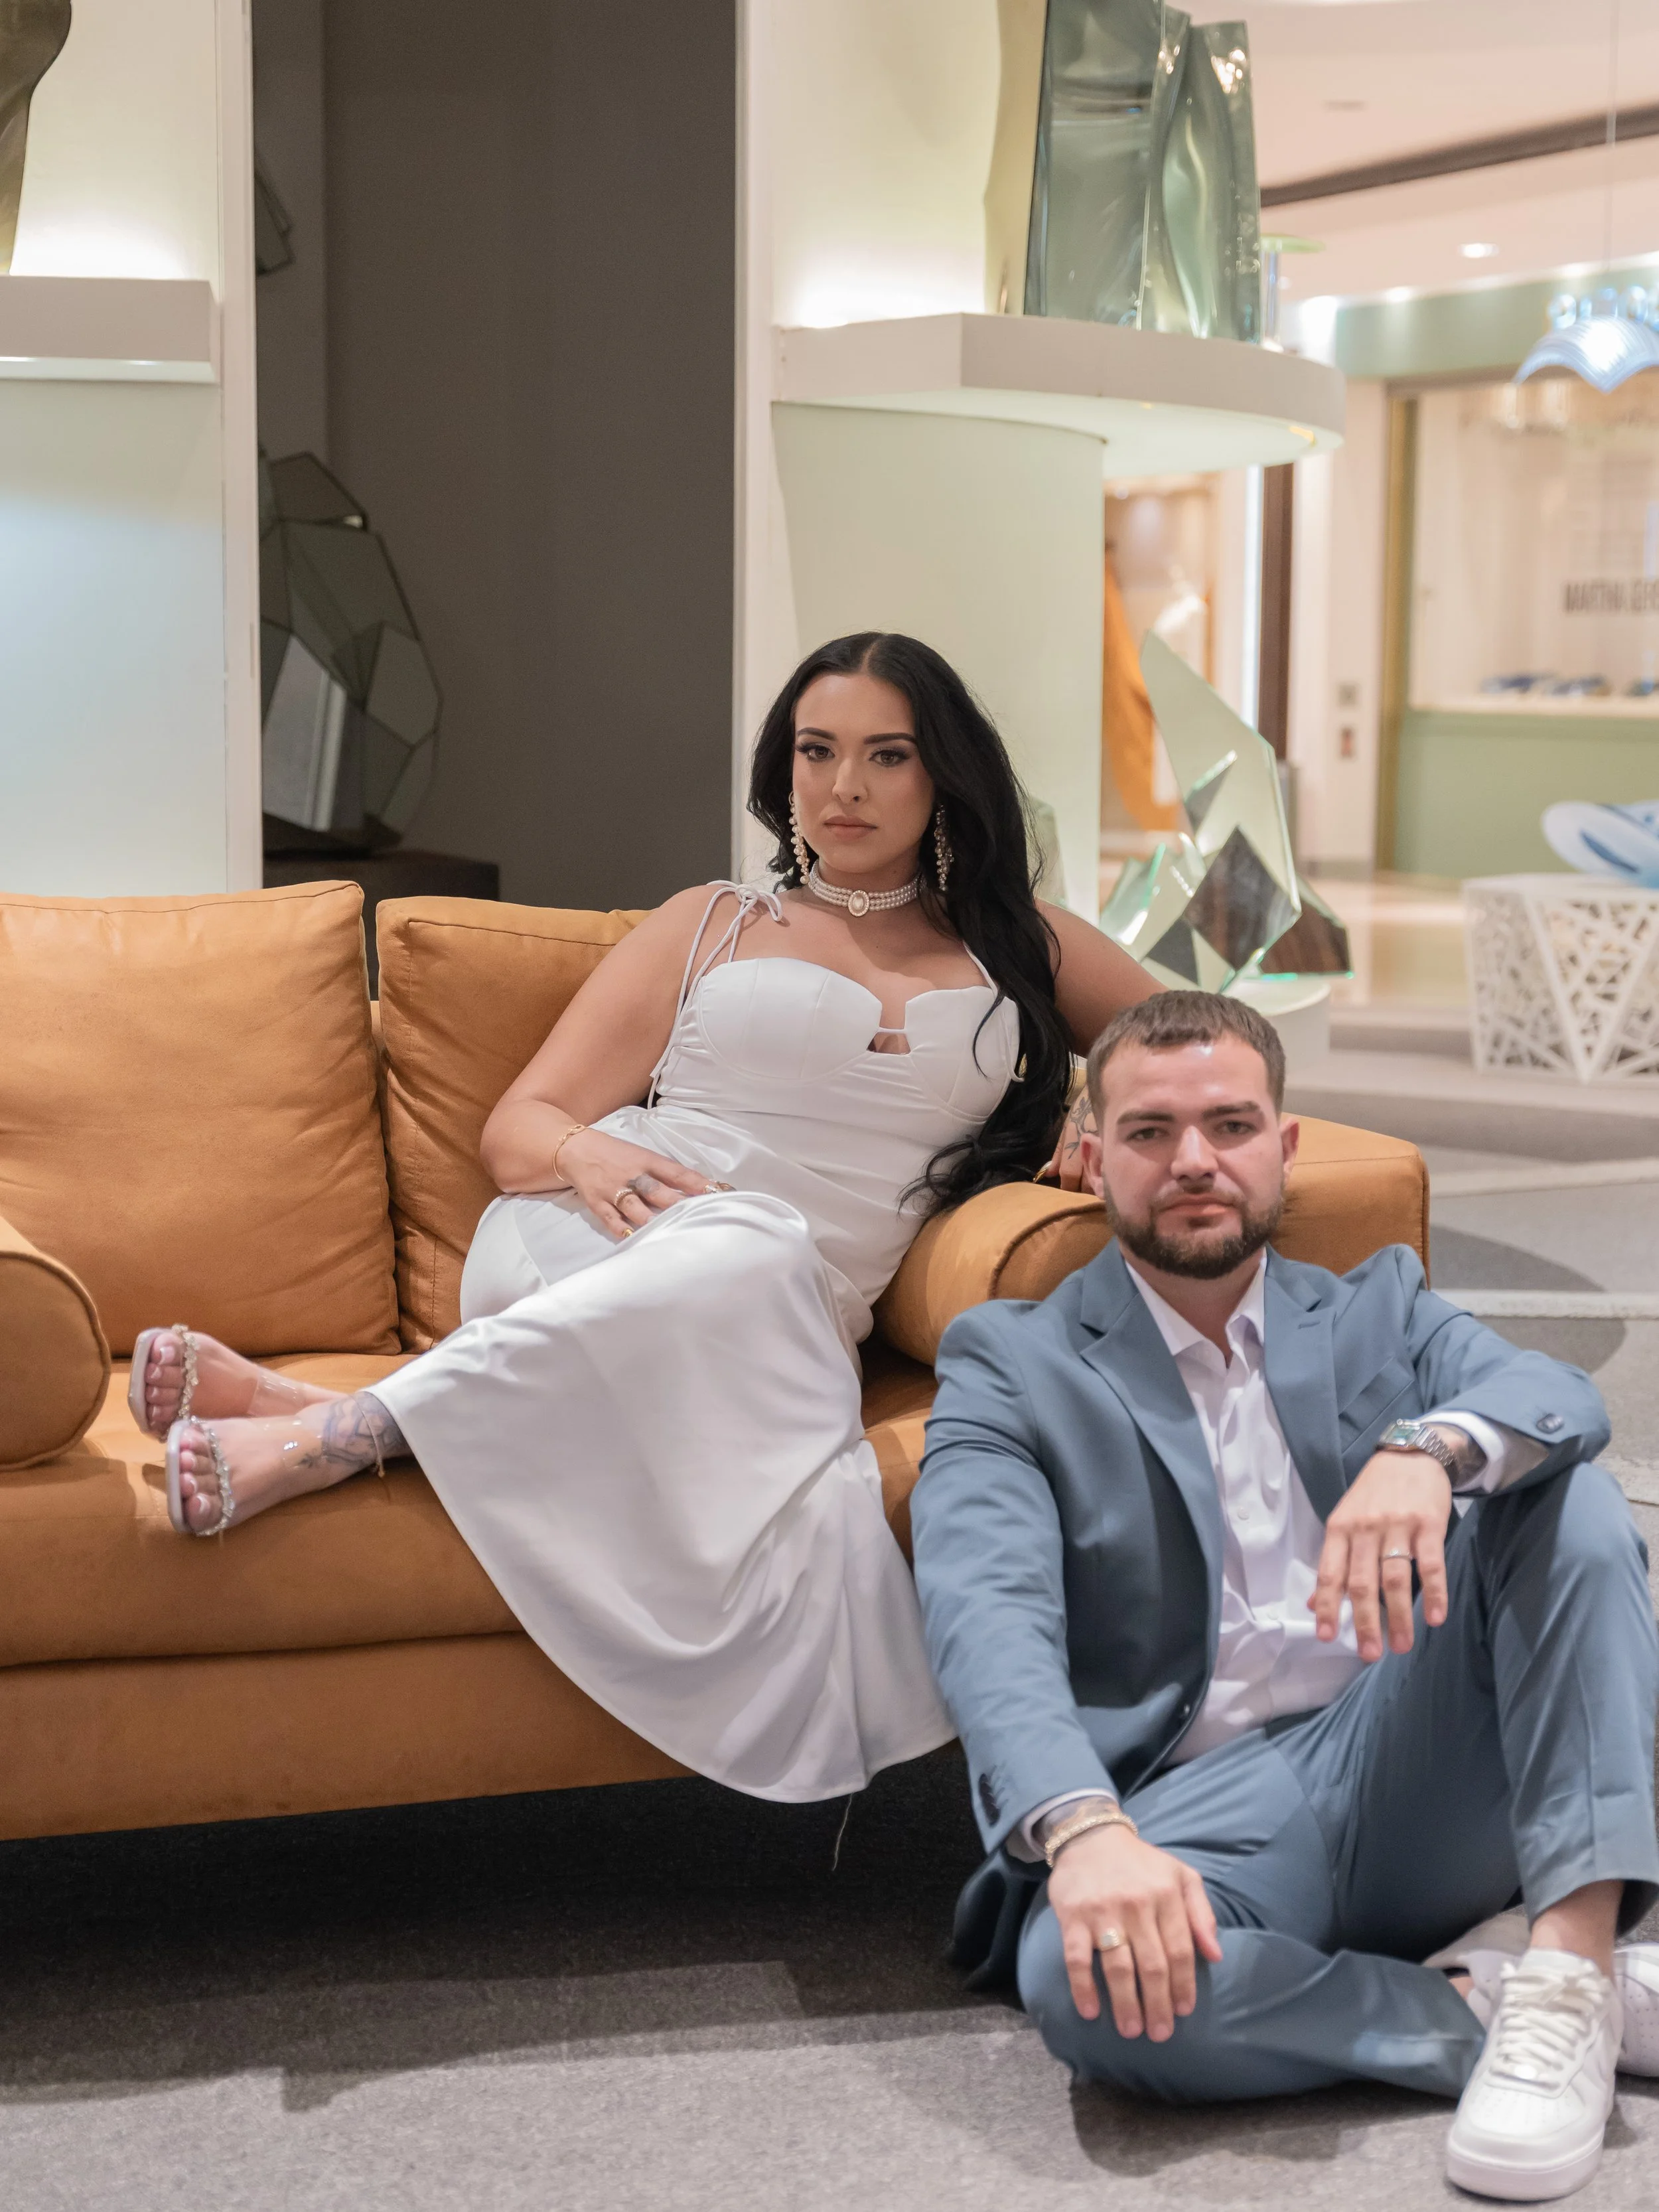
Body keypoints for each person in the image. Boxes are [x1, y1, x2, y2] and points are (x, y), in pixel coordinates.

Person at [129, 631, 1157, 1805]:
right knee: (752, 1235)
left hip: (777, 1317)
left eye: (887, 755)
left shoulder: (1020, 942)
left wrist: (1105, 1105)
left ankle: (312, 1407)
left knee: (764, 1247)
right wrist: (586, 1149)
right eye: (816, 751)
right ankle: (337, 1438)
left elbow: (1199, 1044)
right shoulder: (710, 921)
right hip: (593, 1240)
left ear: (944, 775)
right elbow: (519, 1128)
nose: (844, 787)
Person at [912, 990, 1659, 2202]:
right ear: (1093, 1160)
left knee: (1562, 1497)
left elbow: (1558, 1397)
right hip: (1200, 1813)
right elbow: (984, 1611)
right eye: (1150, 1132)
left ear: (1284, 1145)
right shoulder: (1012, 1363)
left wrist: (1429, 1451)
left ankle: (1569, 1967)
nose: (1194, 1161)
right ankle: (1501, 2009)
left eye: (1230, 1125)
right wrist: (1085, 1833)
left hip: (1407, 1744)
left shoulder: (1381, 1305)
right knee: (1085, 1989)